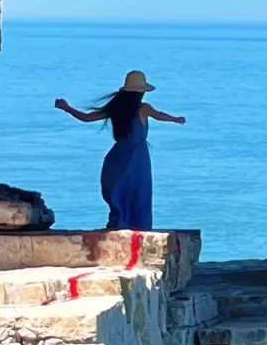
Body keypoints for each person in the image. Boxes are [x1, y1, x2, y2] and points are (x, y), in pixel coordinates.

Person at [54, 70, 185, 230]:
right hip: (137, 155)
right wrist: (175, 119)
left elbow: (87, 118)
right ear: (140, 92)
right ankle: (138, 224)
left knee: (118, 187)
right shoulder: (143, 108)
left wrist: (67, 108)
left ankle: (120, 220)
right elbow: (159, 115)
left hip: (118, 154)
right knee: (139, 190)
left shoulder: (116, 108)